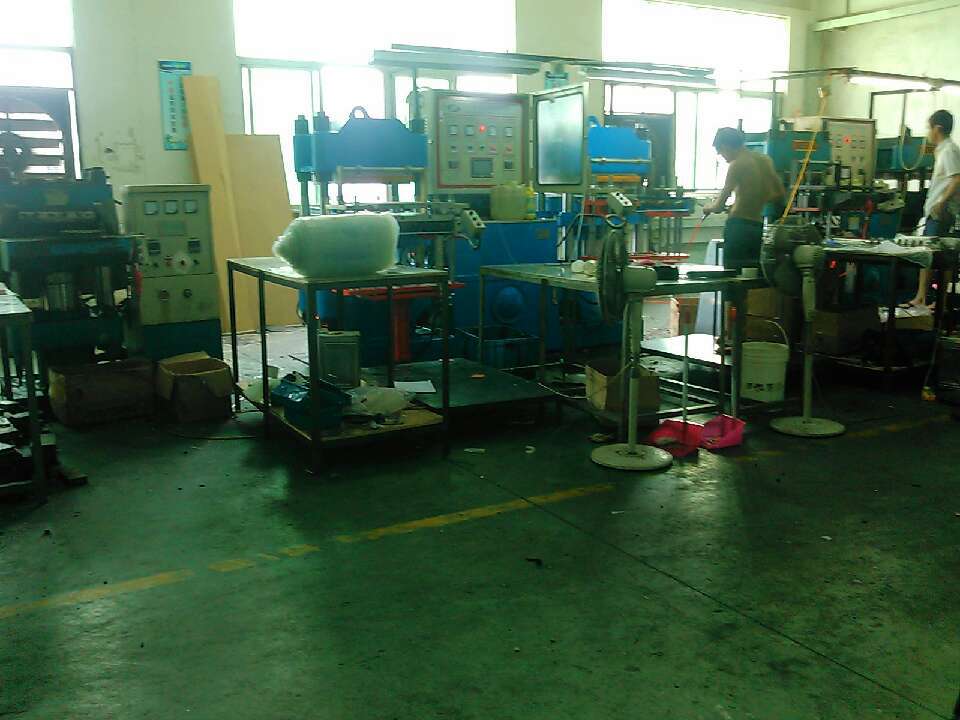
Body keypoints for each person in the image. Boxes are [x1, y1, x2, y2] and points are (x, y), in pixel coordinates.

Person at [703, 127, 786, 270]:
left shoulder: (737, 164)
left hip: (738, 227)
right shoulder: (765, 161)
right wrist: (755, 200)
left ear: (725, 146)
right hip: (757, 227)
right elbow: (779, 194)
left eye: (720, 151)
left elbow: (719, 206)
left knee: (733, 275)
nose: (721, 155)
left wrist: (708, 207)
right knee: (751, 274)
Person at [909, 109, 960, 306]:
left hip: (941, 212)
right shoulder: (944, 150)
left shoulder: (949, 150)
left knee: (932, 254)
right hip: (937, 211)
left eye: (928, 128)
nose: (927, 132)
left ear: (937, 128)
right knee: (933, 254)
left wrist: (941, 202)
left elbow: (957, 178)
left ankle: (929, 300)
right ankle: (926, 298)